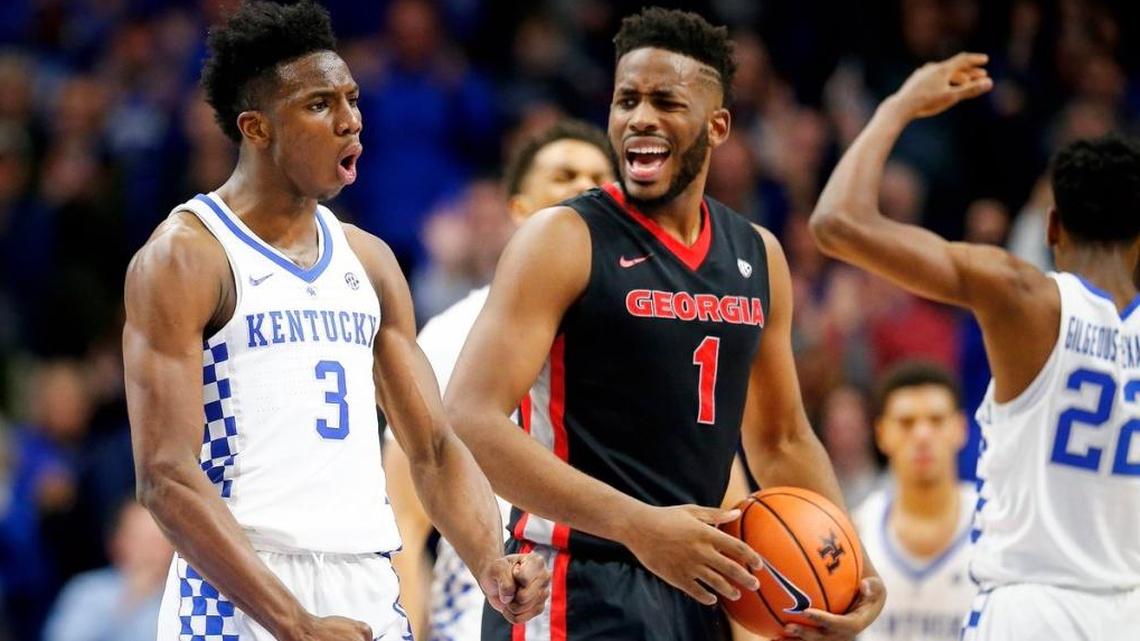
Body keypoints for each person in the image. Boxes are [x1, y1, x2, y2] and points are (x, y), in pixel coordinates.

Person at [445, 8, 885, 641]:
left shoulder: (758, 256)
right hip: (575, 581)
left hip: (698, 592)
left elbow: (783, 439)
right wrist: (638, 526)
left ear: (718, 125)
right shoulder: (564, 238)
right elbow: (470, 417)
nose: (640, 118)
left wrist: (853, 573)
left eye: (665, 101)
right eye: (627, 100)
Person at [121, 3, 548, 641]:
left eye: (351, 99)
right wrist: (293, 621)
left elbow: (431, 448)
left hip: (367, 578)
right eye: (320, 105)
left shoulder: (368, 260)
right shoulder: (187, 255)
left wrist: (491, 558)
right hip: (237, 589)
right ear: (256, 128)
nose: (351, 121)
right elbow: (165, 476)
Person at [810, 53, 1140, 641]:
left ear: (1052, 227)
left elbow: (836, 222)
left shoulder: (1023, 295)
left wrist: (898, 106)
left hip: (1034, 612)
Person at [384, 118, 615, 640]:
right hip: (479, 613)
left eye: (599, 178)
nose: (584, 187)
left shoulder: (649, 334)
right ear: (518, 211)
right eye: (564, 175)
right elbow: (404, 517)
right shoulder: (452, 335)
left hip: (613, 608)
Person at [852, 362, 975, 641]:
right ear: (882, 433)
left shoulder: (996, 526)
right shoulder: (857, 530)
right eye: (906, 423)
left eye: (936, 420)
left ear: (961, 428)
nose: (922, 435)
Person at [42, 501, 173, 641]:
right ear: (116, 542)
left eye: (157, 540)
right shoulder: (88, 591)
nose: (148, 552)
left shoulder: (182, 598)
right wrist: (131, 601)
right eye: (139, 539)